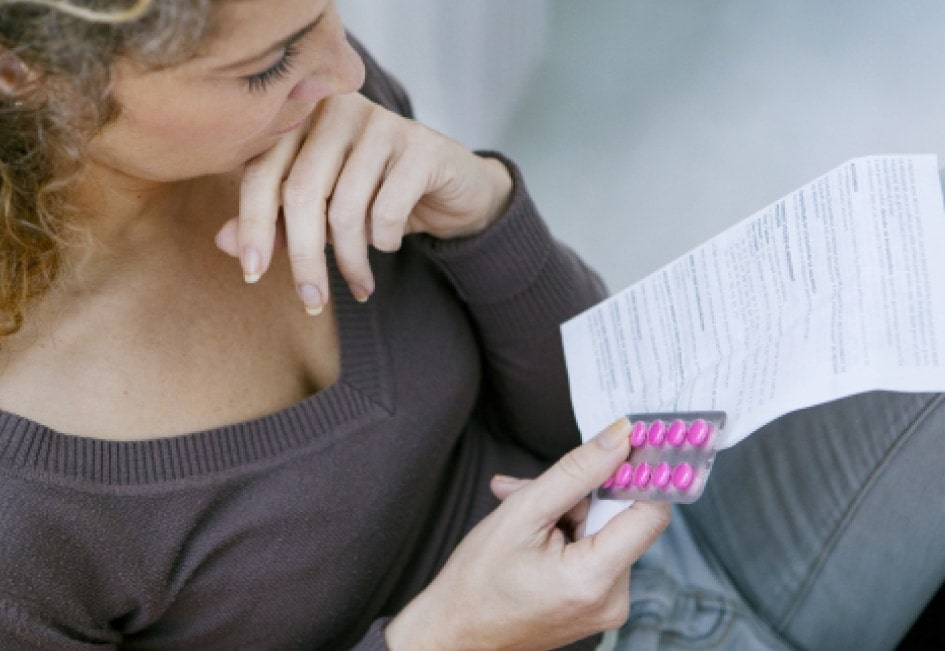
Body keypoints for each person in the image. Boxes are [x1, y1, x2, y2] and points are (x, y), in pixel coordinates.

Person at [1, 2, 942, 651]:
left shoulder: (316, 108)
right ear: (23, 75)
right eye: (267, 66)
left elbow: (579, 418)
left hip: (670, 530)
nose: (345, 69)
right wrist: (447, 639)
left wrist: (483, 212)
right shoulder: (23, 519)